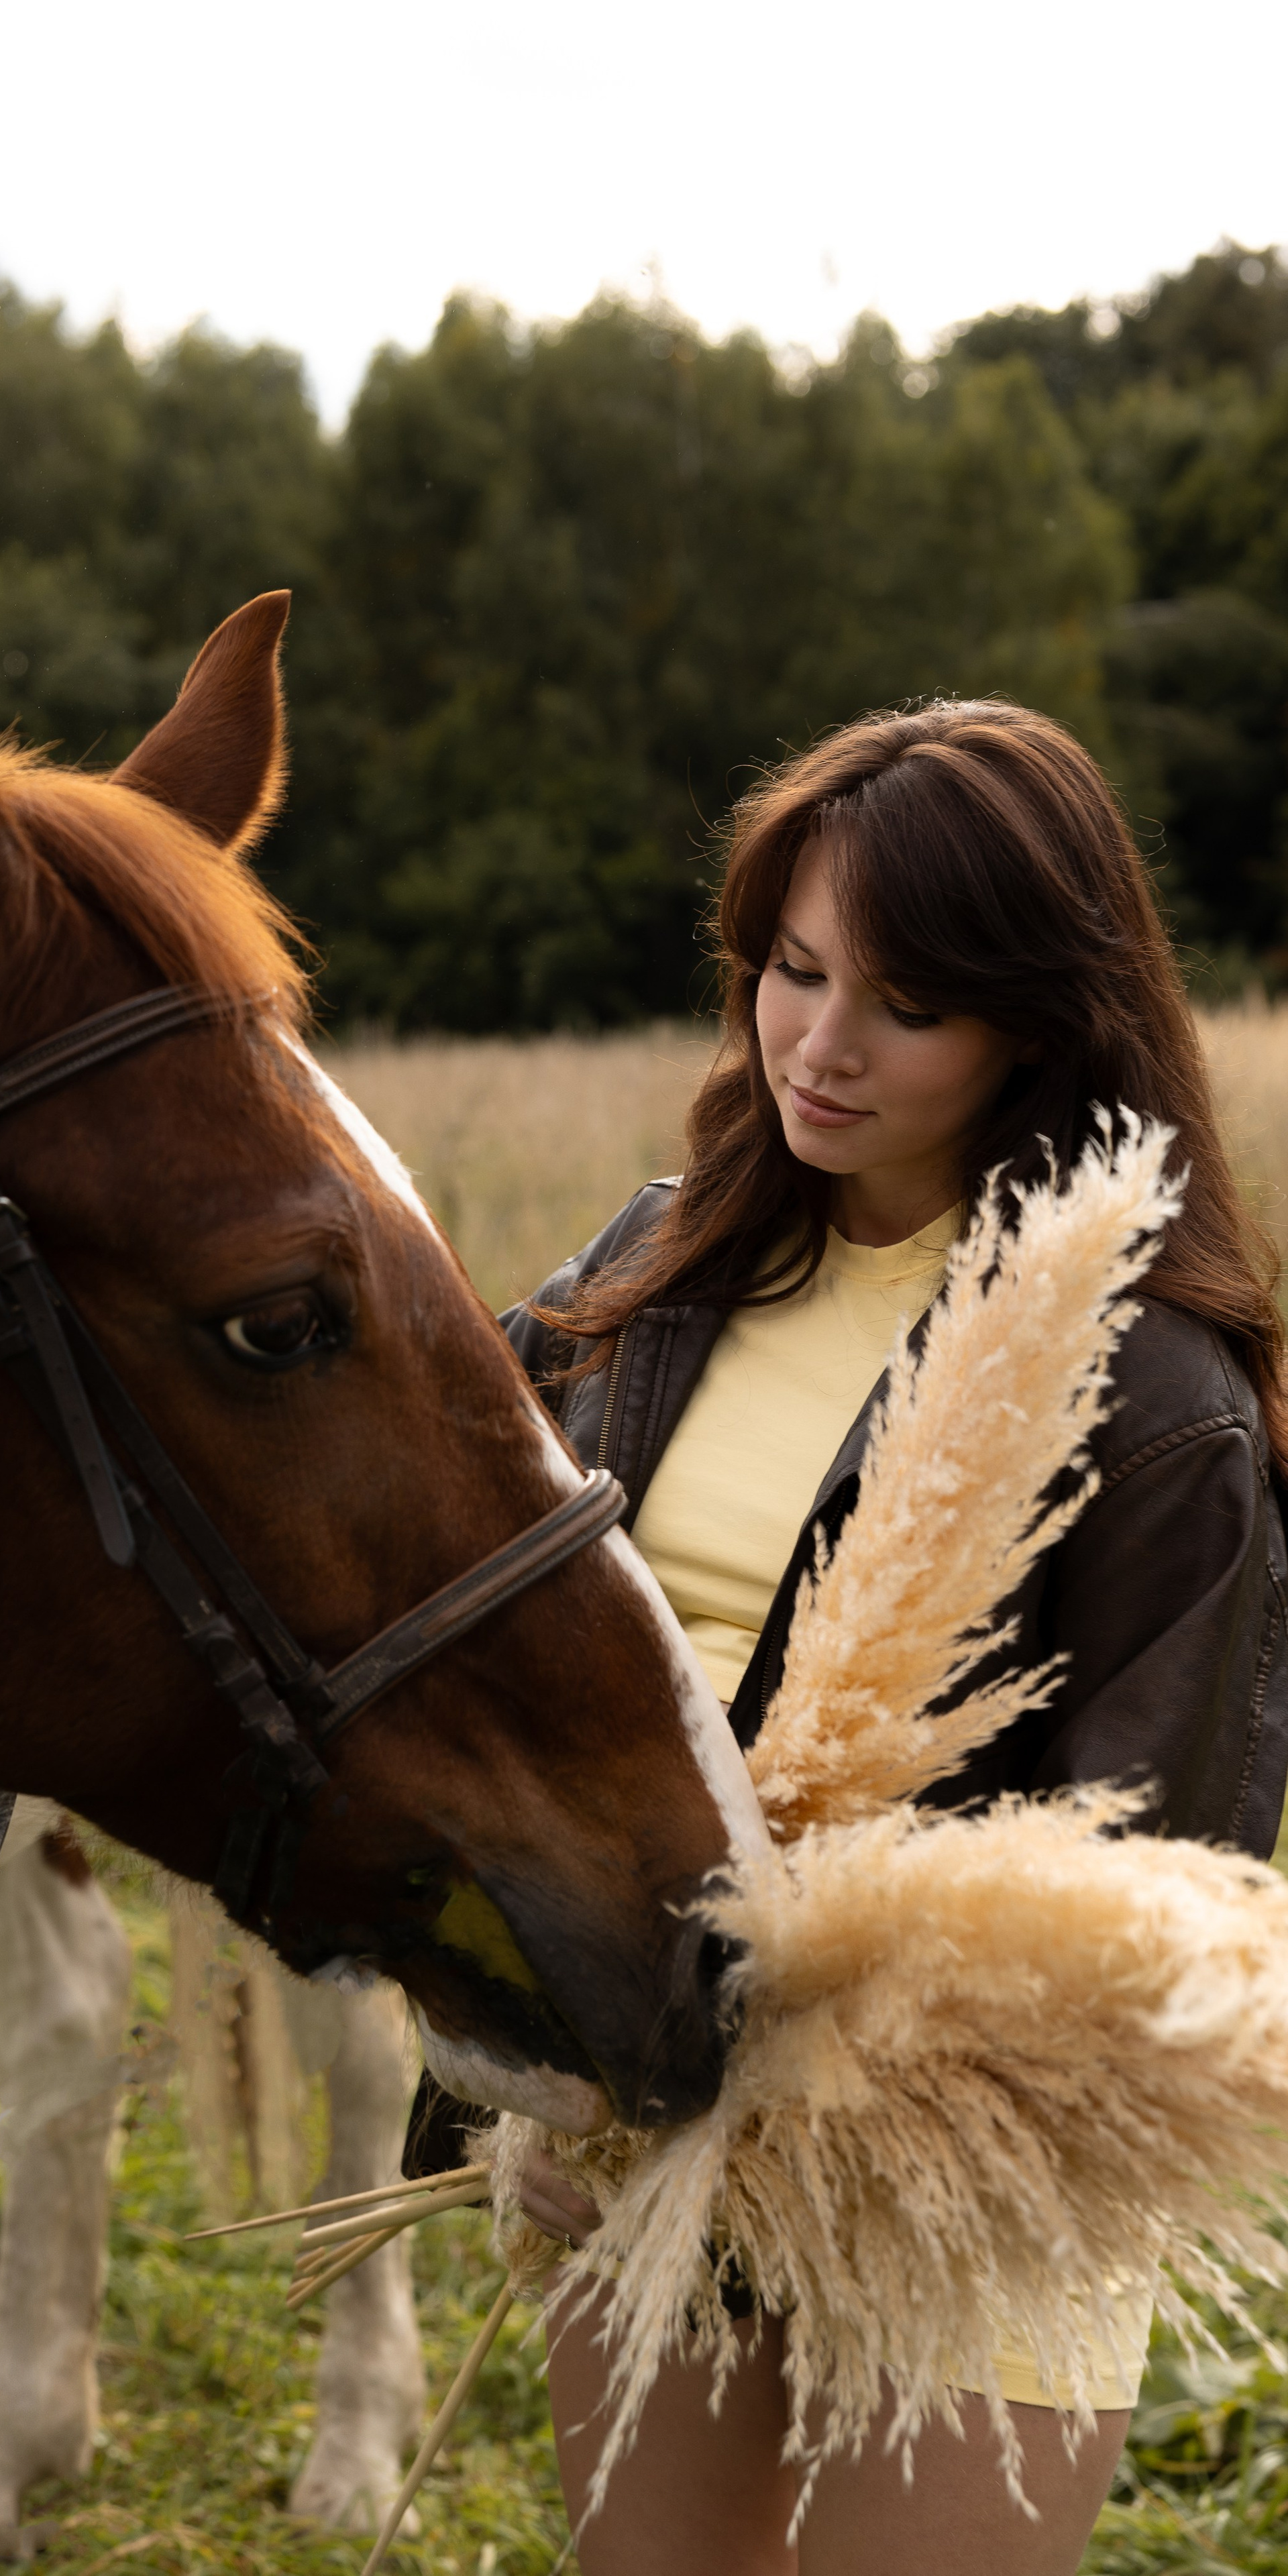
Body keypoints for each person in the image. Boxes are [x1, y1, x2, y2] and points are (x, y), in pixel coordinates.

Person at [496, 700, 1288, 2576]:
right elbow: (500, 1689)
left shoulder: (1150, 1393)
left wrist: (802, 2029)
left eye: (906, 1008)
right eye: (794, 971)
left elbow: (1146, 1893)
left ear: (1037, 1019)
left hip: (957, 2197)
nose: (823, 1048)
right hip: (652, 2147)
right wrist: (546, 2056)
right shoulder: (651, 1275)